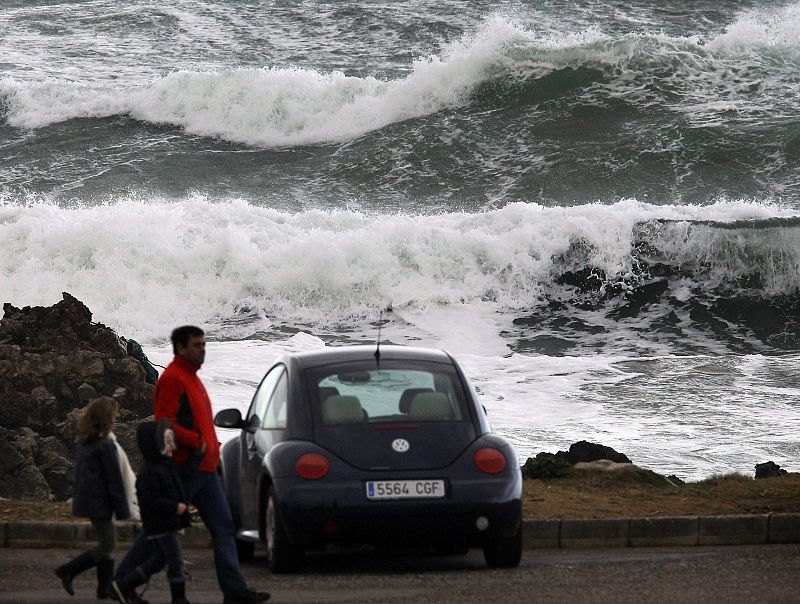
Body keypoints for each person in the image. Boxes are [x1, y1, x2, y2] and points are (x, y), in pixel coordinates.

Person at [117, 325, 269, 604]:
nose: (202, 349)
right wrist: (197, 442)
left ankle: (234, 591)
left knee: (223, 528)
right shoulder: (174, 379)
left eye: (203, 344)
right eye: (196, 345)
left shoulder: (192, 378)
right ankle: (122, 580)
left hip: (207, 469)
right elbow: (166, 424)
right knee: (161, 526)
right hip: (185, 468)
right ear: (181, 348)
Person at [55, 396, 131, 599]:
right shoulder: (105, 444)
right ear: (108, 418)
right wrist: (123, 508)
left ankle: (103, 589)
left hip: (89, 500)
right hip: (102, 502)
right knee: (108, 544)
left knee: (106, 542)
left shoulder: (86, 440)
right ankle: (68, 570)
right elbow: (113, 479)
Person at [111, 419, 192, 604]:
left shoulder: (164, 466)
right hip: (161, 524)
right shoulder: (151, 471)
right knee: (175, 560)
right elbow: (150, 499)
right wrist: (175, 507)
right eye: (167, 441)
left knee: (163, 559)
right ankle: (178, 598)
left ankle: (125, 585)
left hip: (165, 523)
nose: (173, 445)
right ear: (156, 444)